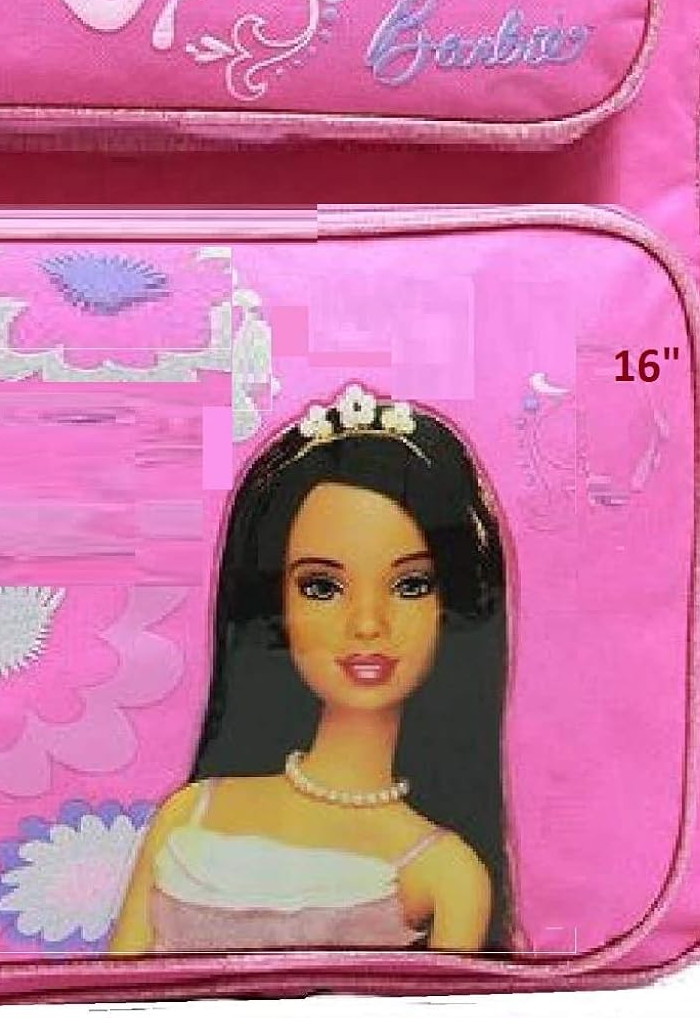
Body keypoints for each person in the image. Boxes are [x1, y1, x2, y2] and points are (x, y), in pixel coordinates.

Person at [110, 382, 511, 954]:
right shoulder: (190, 813)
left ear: (455, 607)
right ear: (273, 604)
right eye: (322, 587)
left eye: (411, 585)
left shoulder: (446, 871)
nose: (367, 624)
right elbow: (120, 986)